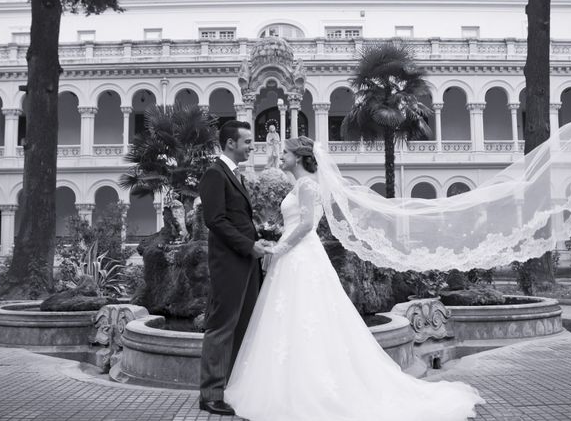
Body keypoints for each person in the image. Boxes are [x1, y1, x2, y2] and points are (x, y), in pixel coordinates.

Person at [224, 136, 485, 421]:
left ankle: (310, 389)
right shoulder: (300, 185)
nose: (280, 157)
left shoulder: (308, 185)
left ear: (298, 157)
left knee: (304, 315)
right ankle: (289, 383)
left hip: (300, 255)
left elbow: (308, 225)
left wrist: (279, 248)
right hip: (293, 257)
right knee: (291, 318)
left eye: (285, 153)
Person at [197, 120, 268, 416]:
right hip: (229, 263)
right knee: (222, 325)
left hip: (246, 261)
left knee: (244, 325)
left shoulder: (235, 175)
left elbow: (237, 218)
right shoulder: (215, 174)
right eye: (248, 142)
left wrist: (258, 235)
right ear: (230, 144)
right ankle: (211, 393)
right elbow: (215, 220)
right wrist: (247, 245)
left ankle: (233, 387)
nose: (252, 146)